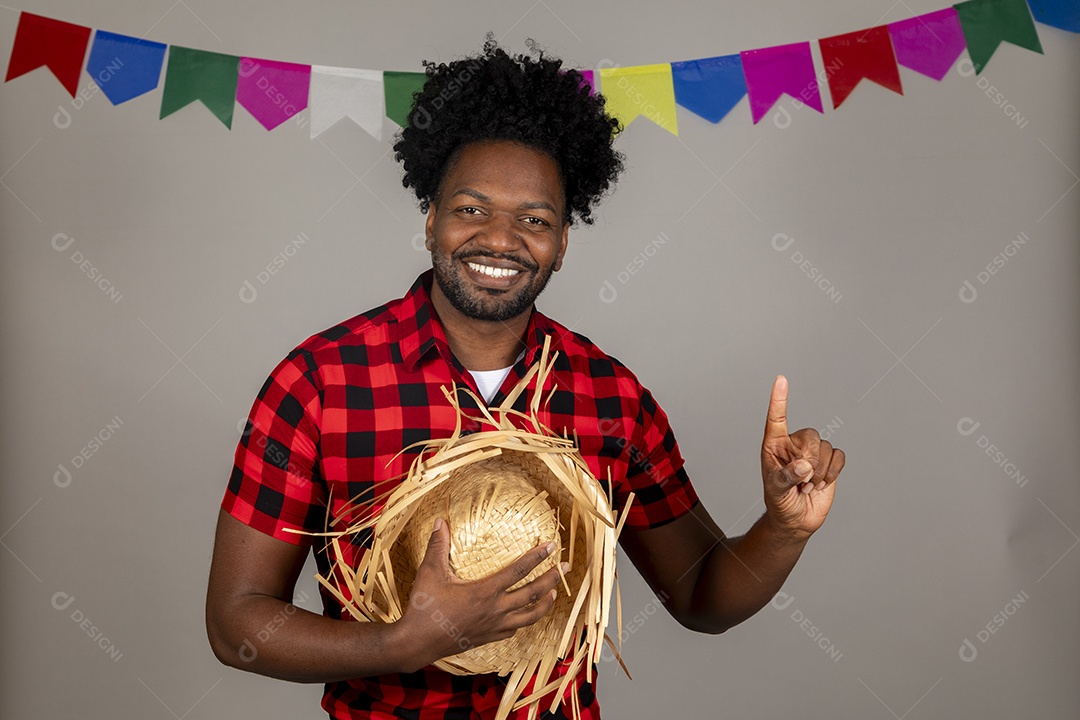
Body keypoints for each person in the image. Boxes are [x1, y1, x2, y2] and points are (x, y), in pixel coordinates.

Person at [205, 36, 846, 720]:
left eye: (534, 219)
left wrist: (784, 529)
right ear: (430, 221)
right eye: (471, 209)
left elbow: (701, 599)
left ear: (562, 242)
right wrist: (399, 643)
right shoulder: (320, 384)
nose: (501, 238)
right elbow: (236, 622)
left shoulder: (612, 401)